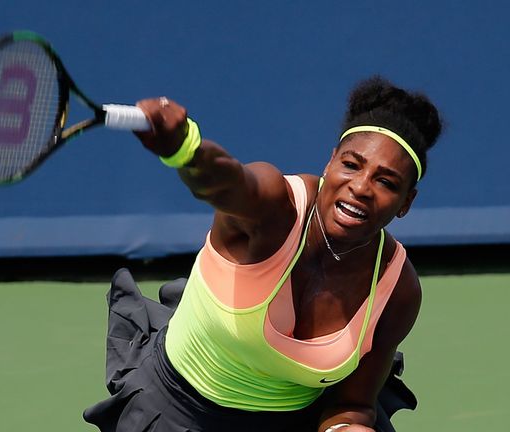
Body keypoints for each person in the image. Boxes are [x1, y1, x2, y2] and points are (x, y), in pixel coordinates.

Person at [83, 76, 443, 432]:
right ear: (330, 162)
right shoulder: (274, 207)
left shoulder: (397, 290)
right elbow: (225, 182)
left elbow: (353, 405)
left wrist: (345, 429)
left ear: (405, 203)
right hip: (178, 412)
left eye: (386, 182)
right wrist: (185, 151)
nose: (361, 187)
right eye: (351, 165)